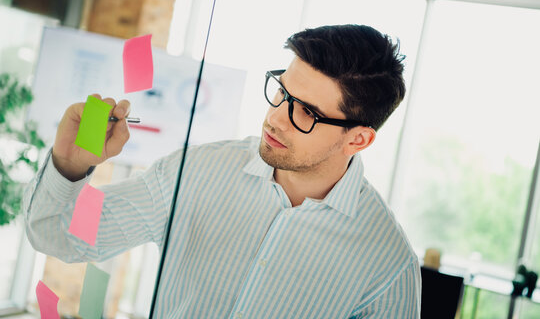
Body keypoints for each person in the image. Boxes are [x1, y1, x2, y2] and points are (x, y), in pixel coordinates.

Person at [24, 24, 421, 318]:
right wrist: (70, 164)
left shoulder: (387, 264)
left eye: (306, 112)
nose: (276, 119)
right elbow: (61, 238)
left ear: (358, 140)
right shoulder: (195, 171)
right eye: (282, 92)